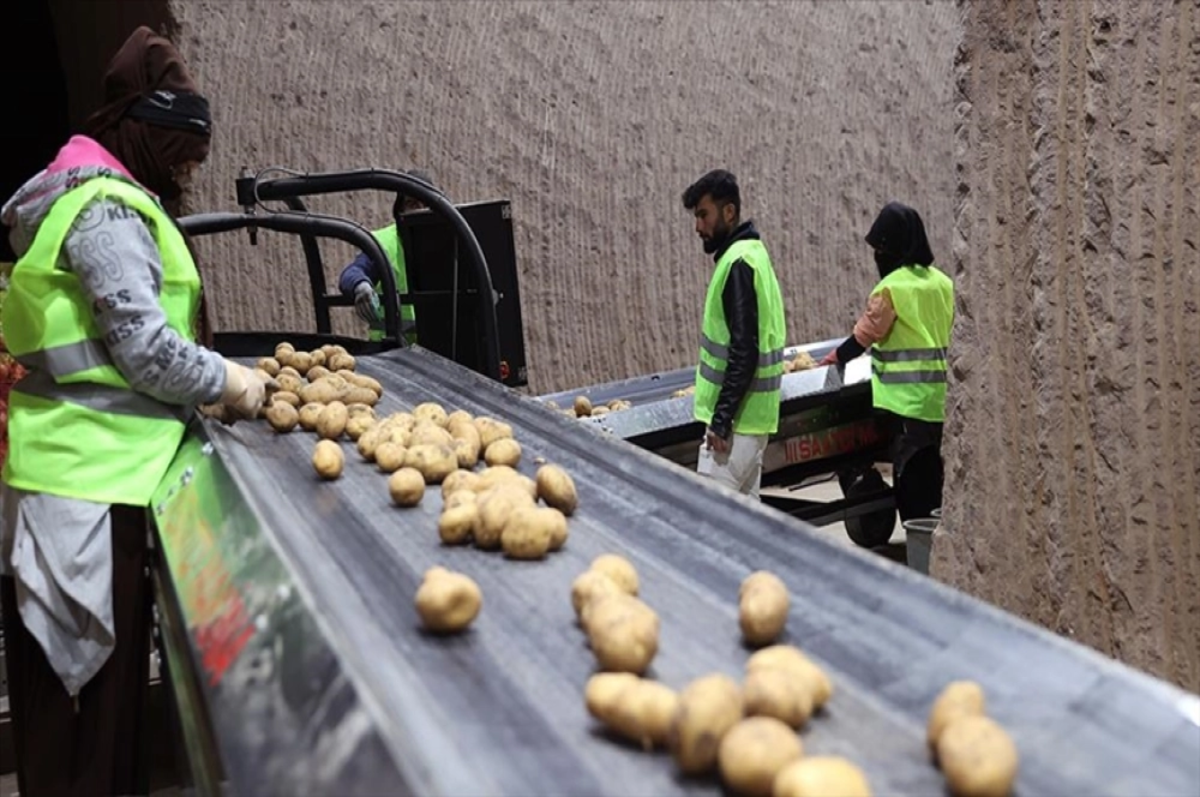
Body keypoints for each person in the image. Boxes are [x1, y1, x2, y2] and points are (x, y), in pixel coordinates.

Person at [0, 26, 274, 796]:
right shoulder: (108, 211)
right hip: (87, 483)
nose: (189, 169)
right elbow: (146, 349)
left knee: (93, 704)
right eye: (183, 152)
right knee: (82, 704)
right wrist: (231, 382)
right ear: (146, 134)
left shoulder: (95, 198)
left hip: (93, 474)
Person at [820, 201, 953, 522]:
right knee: (938, 479)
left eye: (880, 248)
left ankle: (920, 550)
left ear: (891, 248)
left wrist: (835, 357)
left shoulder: (890, 288)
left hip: (908, 406)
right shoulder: (943, 283)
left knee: (912, 484)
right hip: (943, 403)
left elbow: (866, 335)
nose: (877, 257)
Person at [683, 169, 787, 498]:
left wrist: (722, 419)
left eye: (704, 215)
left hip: (736, 429)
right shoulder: (753, 255)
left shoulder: (738, 263)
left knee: (711, 530)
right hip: (753, 423)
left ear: (729, 212)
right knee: (745, 531)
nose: (698, 226)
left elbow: (744, 350)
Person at [337, 169, 436, 345]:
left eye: (425, 204)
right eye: (412, 204)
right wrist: (360, 285)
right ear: (400, 209)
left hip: (438, 353)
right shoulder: (383, 243)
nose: (419, 211)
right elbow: (352, 273)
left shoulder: (449, 241)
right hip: (390, 353)